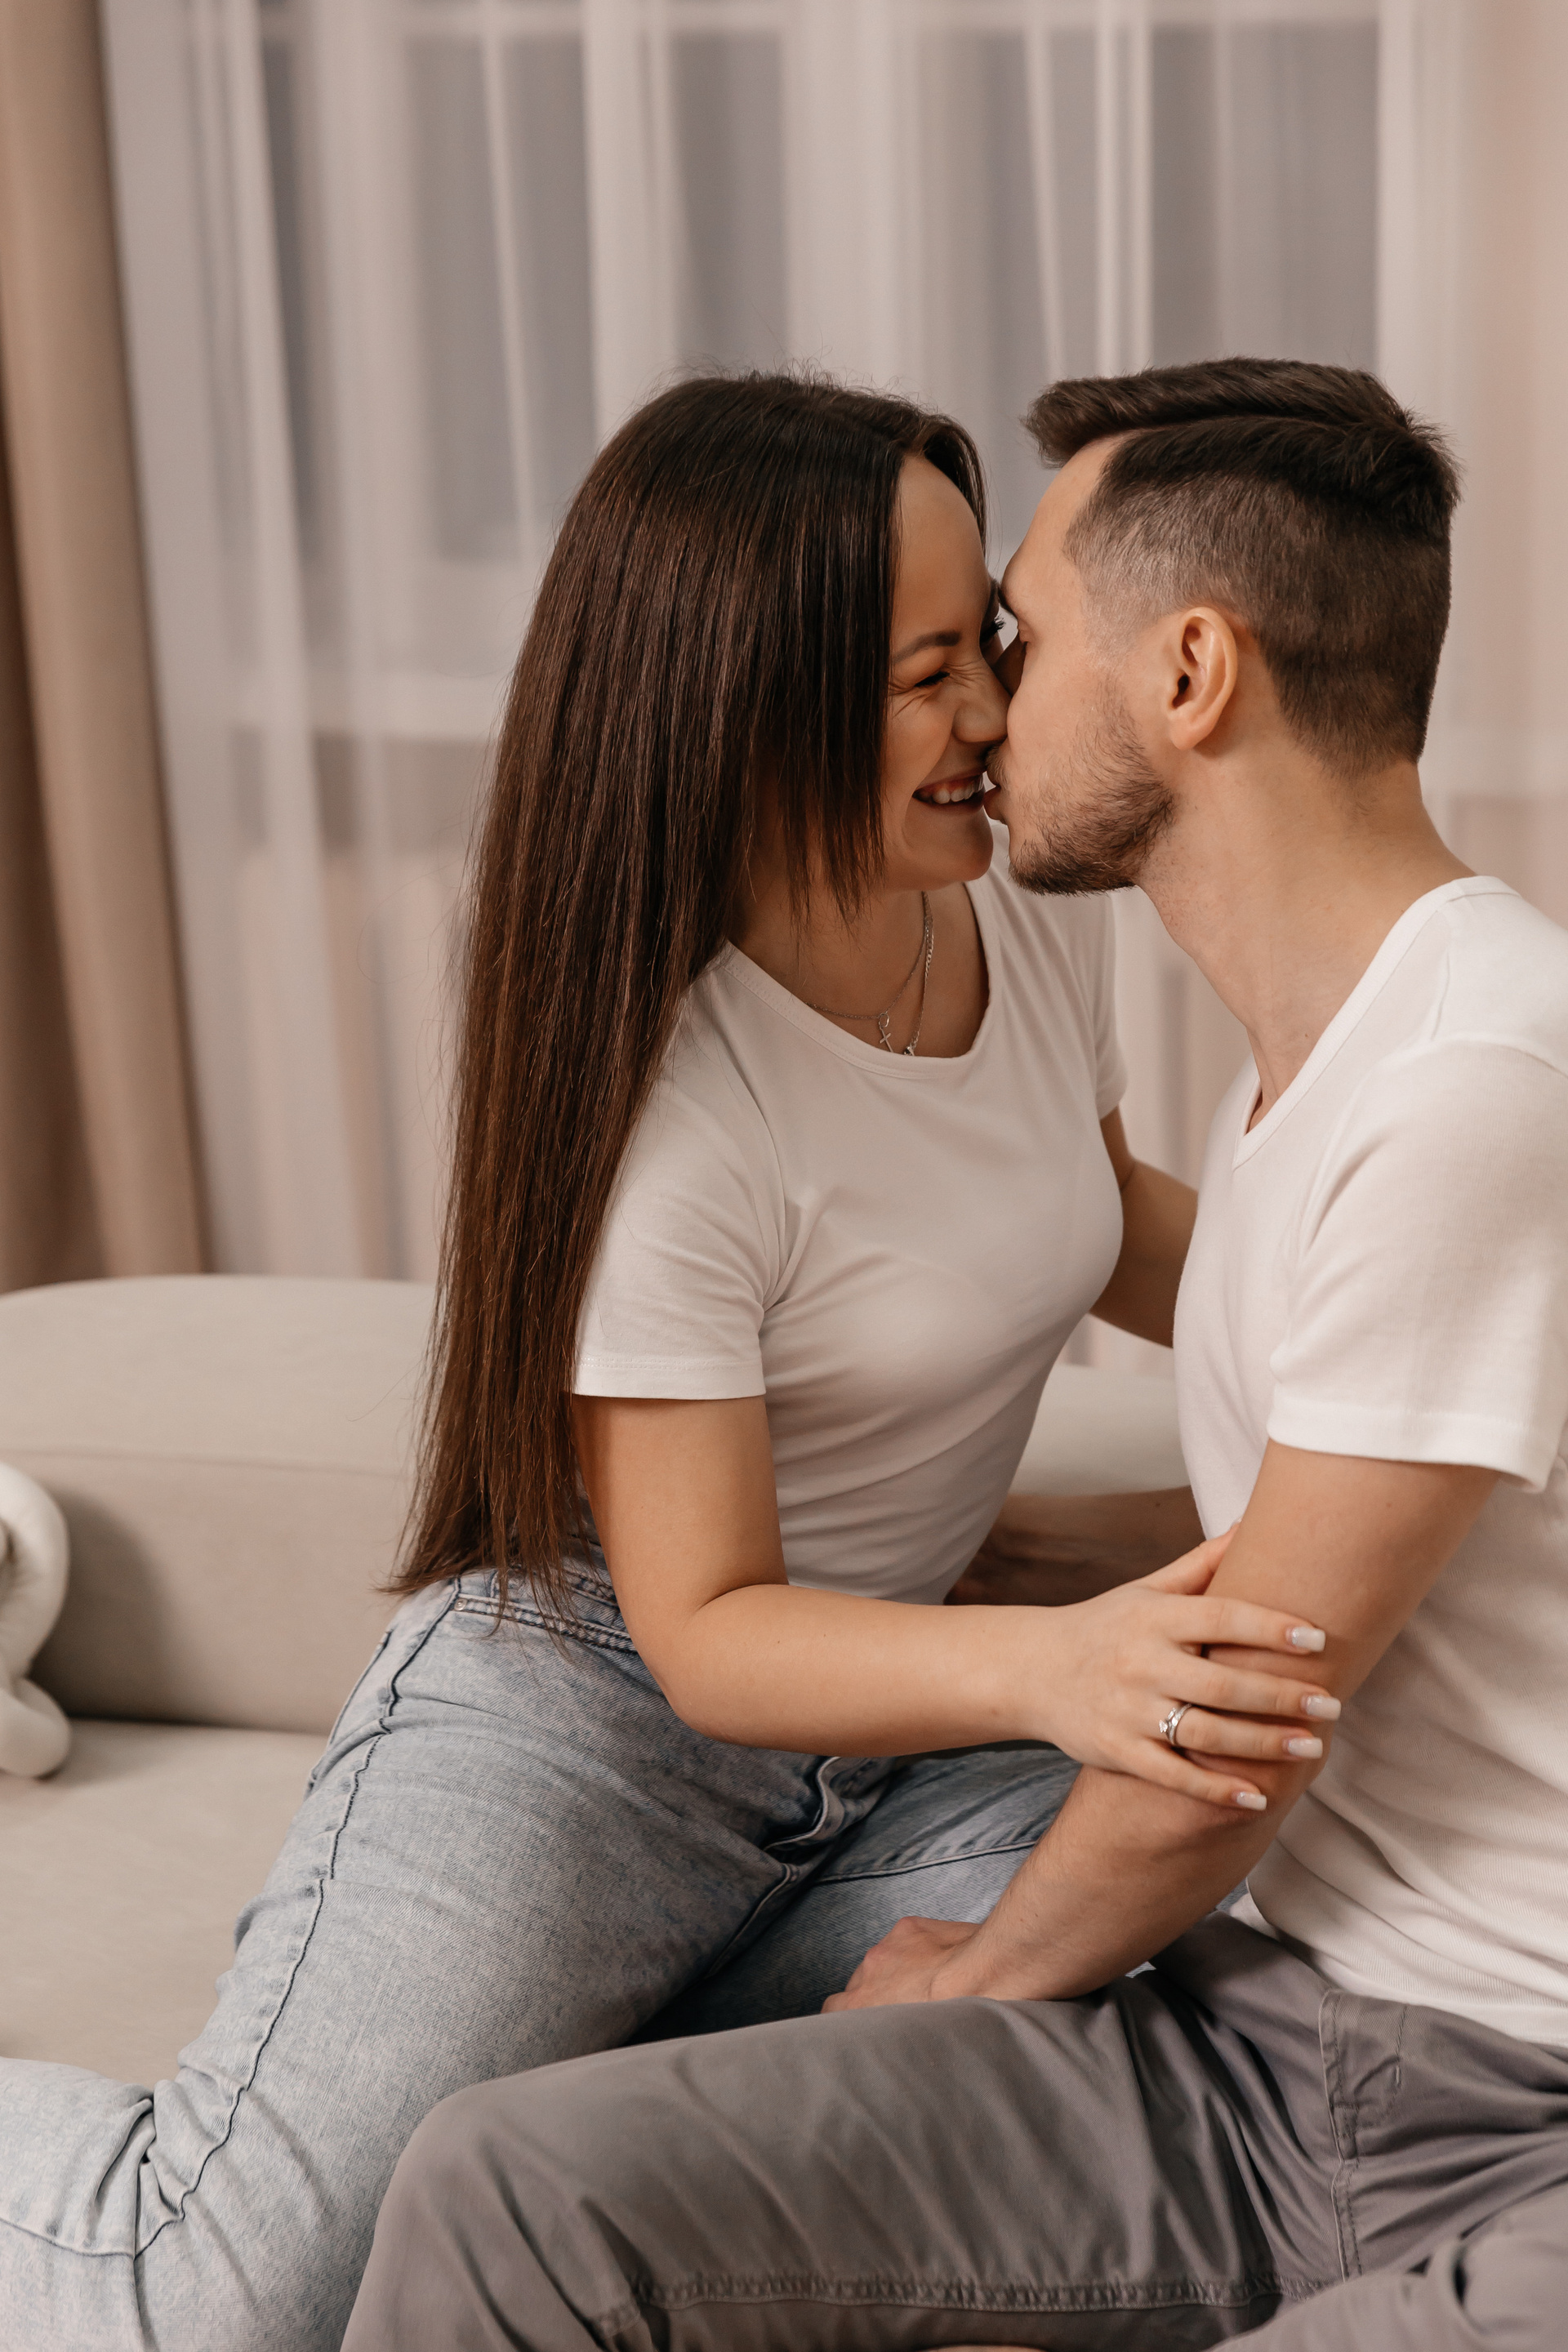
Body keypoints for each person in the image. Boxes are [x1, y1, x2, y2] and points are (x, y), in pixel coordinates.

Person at [0, 374, 1332, 2352]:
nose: (994, 711)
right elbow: (704, 1629)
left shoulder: (1012, 922)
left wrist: (1372, 1290)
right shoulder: (674, 1099)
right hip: (601, 1733)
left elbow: (1099, 1210)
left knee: (1201, 1968)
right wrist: (1058, 1662)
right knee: (220, 2300)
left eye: (987, 642)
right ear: (751, 705)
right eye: (926, 677)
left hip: (908, 1746)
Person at [341, 358, 1568, 2352]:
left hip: (1513, 2097)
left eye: (1017, 634)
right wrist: (1063, 1572)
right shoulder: (1317, 1089)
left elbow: (1235, 1718)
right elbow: (1384, 1503)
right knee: (508, 2192)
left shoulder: (1477, 1080)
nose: (993, 704)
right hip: (1268, 2044)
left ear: (1189, 674)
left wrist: (978, 1979)